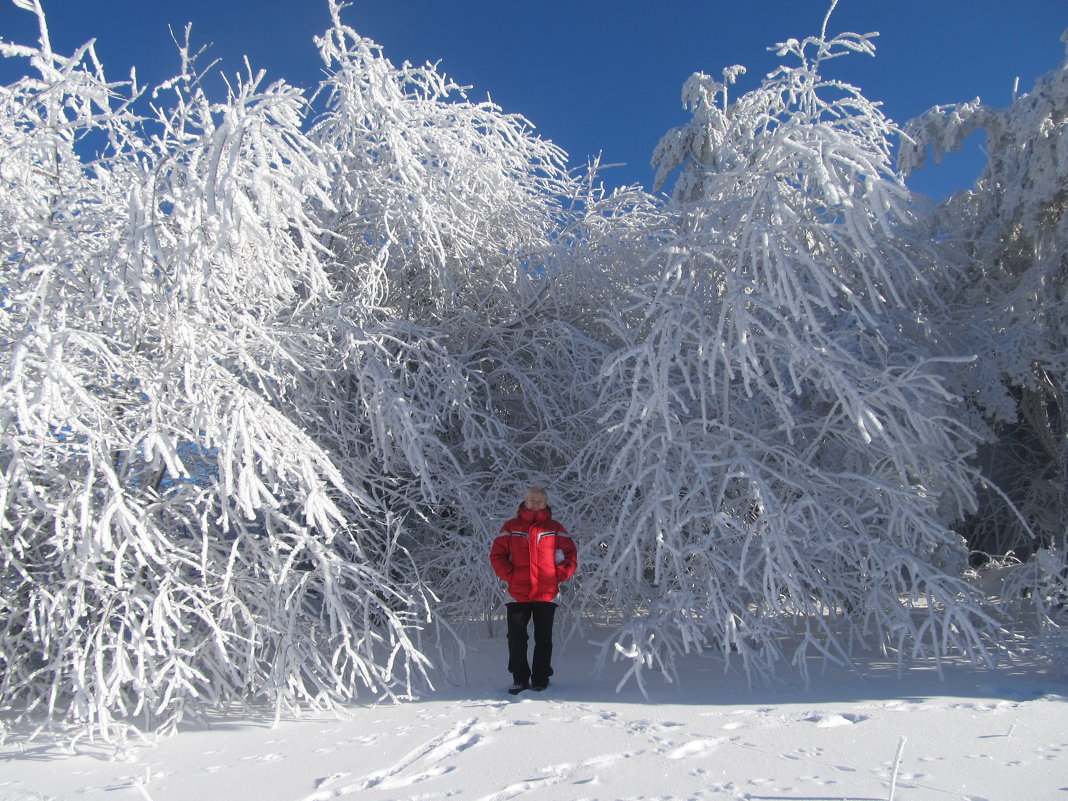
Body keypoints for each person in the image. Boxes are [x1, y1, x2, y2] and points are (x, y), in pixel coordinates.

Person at [489, 486, 577, 693]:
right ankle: (519, 678)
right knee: (516, 637)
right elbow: (497, 555)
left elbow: (571, 554)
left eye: (539, 500)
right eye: (531, 500)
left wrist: (559, 575)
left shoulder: (555, 528)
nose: (535, 503)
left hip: (546, 592)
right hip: (517, 592)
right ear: (525, 501)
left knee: (543, 637)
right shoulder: (511, 527)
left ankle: (541, 678)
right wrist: (510, 575)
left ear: (545, 503)